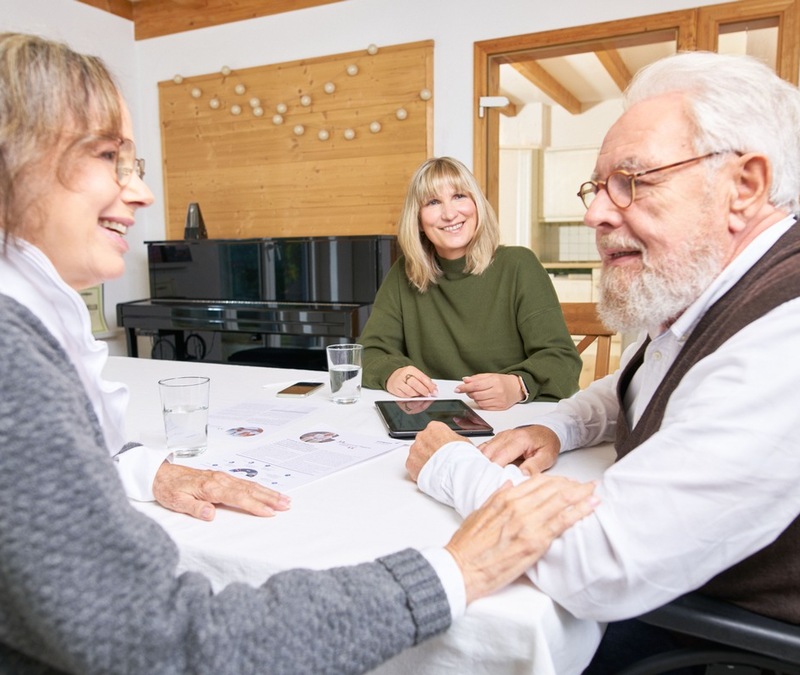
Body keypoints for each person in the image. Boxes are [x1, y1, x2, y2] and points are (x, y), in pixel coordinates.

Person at [0, 33, 598, 674]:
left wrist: (149, 471)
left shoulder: (515, 266)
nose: (143, 195)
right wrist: (455, 568)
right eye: (107, 157)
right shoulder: (15, 354)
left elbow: (560, 363)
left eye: (134, 166)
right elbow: (164, 637)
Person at [405, 50, 800, 672]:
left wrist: (449, 463)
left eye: (634, 180)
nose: (594, 213)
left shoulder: (786, 338)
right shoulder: (712, 297)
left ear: (743, 187)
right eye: (599, 186)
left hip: (715, 644)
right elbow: (636, 379)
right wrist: (555, 426)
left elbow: (597, 562)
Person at [359, 156, 582, 410]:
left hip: (511, 419)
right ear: (418, 220)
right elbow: (369, 353)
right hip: (431, 420)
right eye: (433, 202)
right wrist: (393, 374)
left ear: (476, 204)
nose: (450, 213)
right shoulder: (404, 273)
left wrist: (518, 385)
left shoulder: (519, 265)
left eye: (459, 196)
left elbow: (563, 361)